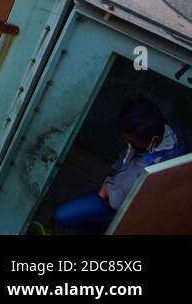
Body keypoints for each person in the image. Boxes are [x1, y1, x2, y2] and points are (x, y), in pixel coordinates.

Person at [52, 96, 183, 232]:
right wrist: (108, 181)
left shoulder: (169, 165)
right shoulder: (146, 135)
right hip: (109, 196)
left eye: (132, 142)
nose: (127, 143)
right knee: (62, 216)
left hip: (129, 212)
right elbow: (122, 160)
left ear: (153, 141)